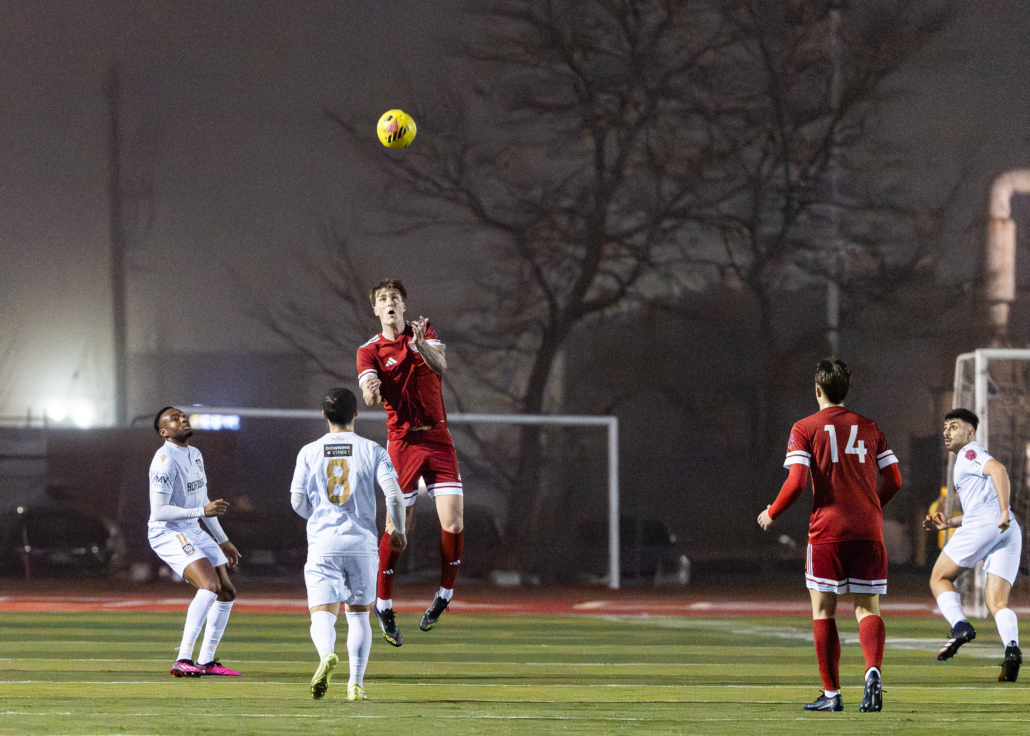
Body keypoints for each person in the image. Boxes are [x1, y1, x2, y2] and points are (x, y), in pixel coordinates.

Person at [757, 359, 902, 713]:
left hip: (827, 531)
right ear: (846, 390)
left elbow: (796, 482)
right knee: (867, 607)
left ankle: (832, 695)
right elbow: (895, 480)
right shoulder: (870, 427)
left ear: (818, 390)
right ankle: (872, 672)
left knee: (823, 610)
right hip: (869, 530)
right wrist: (872, 506)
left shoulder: (805, 427)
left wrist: (772, 511)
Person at [356, 279, 464, 646]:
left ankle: (444, 596)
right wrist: (370, 390)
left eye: (395, 298)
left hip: (437, 439)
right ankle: (383, 603)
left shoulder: (423, 332)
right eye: (383, 299)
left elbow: (441, 366)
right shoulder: (368, 351)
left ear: (403, 306)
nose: (390, 303)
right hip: (402, 444)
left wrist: (420, 345)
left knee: (453, 520)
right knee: (398, 532)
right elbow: (369, 393)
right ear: (376, 309)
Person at [291, 388, 407, 700]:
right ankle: (355, 684)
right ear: (356, 413)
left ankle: (327, 654)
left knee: (322, 614)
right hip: (361, 543)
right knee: (358, 616)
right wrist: (399, 530)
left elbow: (297, 501)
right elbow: (394, 495)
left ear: (324, 416)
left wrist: (318, 516)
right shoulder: (372, 450)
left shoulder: (309, 451)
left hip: (323, 544)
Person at [923, 408, 1022, 682]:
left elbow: (999, 469)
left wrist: (1003, 510)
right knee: (997, 602)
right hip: (1008, 529)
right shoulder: (968, 461)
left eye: (953, 426)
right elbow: (981, 509)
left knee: (938, 578)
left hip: (994, 522)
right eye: (945, 427)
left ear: (970, 431)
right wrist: (949, 523)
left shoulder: (969, 454)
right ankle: (1012, 650)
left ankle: (960, 626)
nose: (947, 431)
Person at [149, 406, 243, 677]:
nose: (183, 419)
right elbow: (159, 511)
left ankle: (206, 660)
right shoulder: (164, 461)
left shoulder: (195, 454)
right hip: (168, 531)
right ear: (165, 433)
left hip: (192, 527)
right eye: (175, 419)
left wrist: (222, 540)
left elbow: (204, 502)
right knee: (210, 586)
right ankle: (182, 658)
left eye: (183, 415)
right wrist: (201, 512)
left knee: (226, 591)